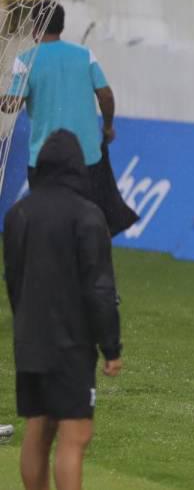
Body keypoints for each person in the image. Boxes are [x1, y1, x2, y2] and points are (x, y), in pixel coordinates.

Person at [4, 130, 123, 490]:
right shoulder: (88, 216)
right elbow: (100, 287)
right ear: (76, 167)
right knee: (75, 435)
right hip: (71, 344)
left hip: (29, 341)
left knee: (37, 429)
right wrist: (111, 346)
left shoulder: (17, 214)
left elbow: (14, 280)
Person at [2, 0, 137, 236]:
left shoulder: (25, 61)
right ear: (61, 26)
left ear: (36, 26)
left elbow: (12, 104)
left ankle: (53, 267)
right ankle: (89, 267)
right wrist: (107, 127)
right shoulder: (85, 55)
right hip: (85, 157)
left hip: (45, 160)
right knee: (88, 223)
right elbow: (105, 95)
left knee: (49, 225)